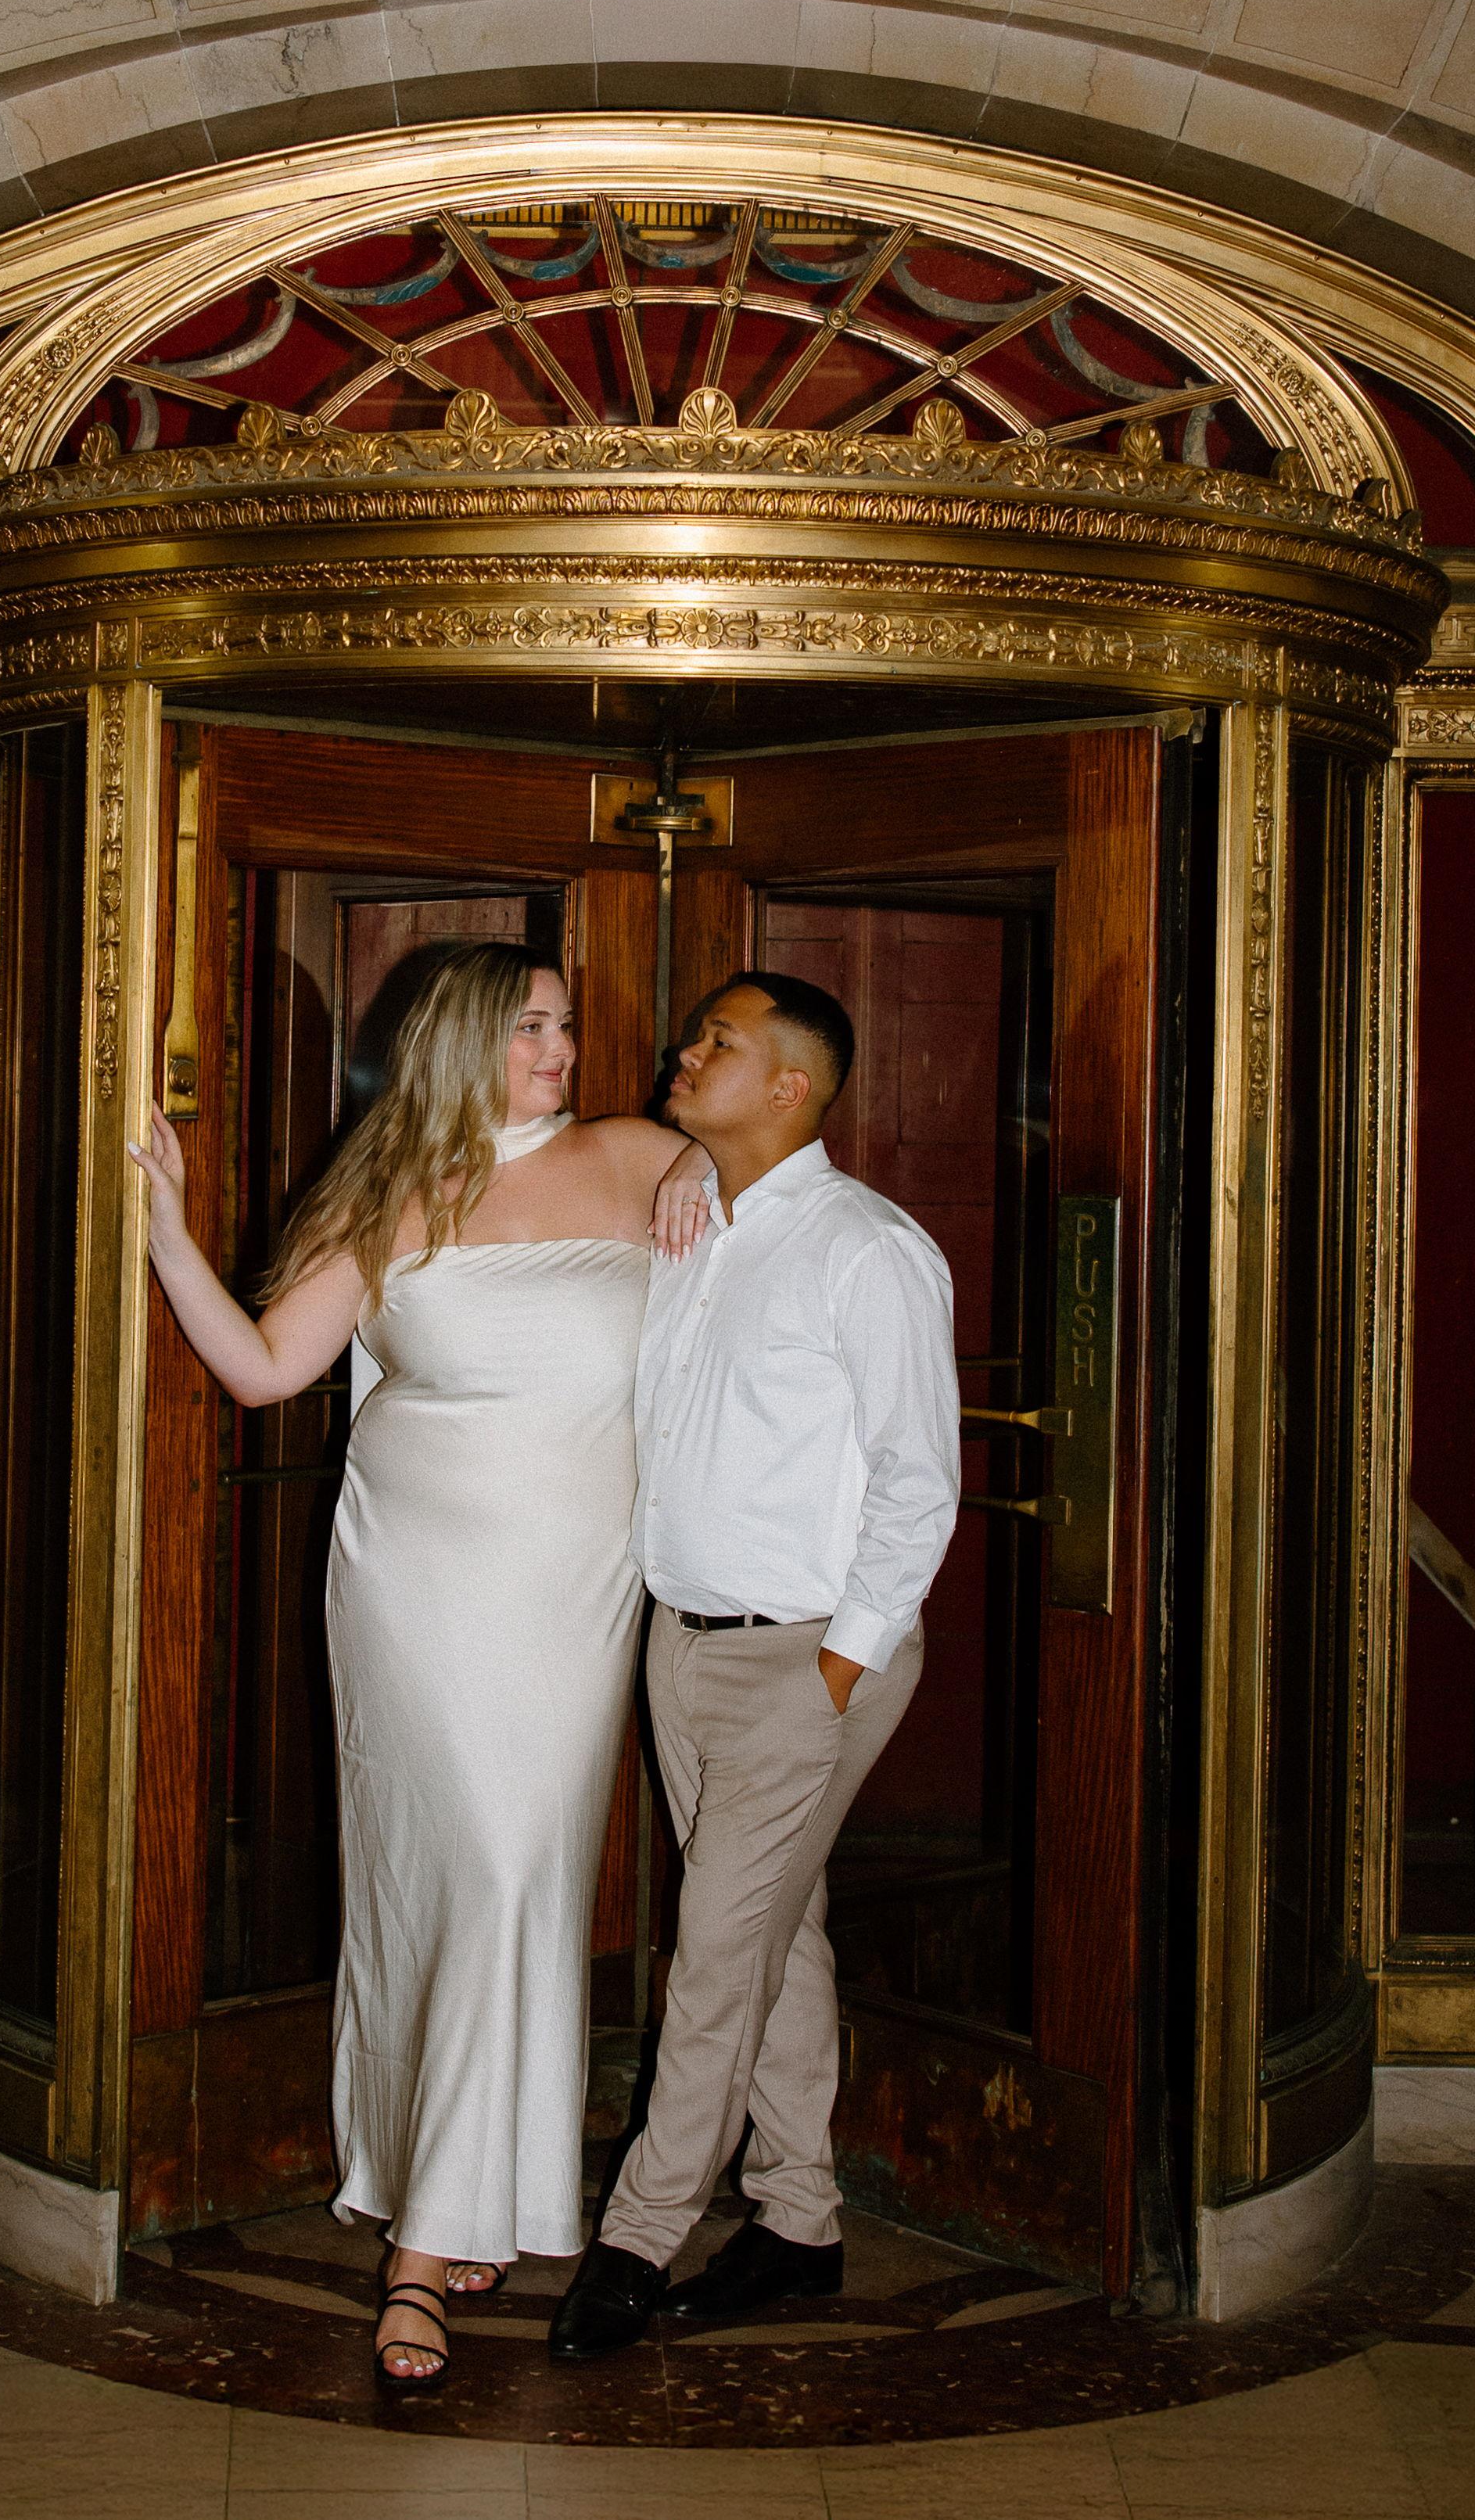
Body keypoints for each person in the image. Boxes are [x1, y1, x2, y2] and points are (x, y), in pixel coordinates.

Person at [128, 942, 688, 2390]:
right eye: (530, 1028)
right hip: (414, 1586)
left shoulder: (640, 1159)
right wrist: (172, 1236)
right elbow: (268, 1369)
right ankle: (428, 2243)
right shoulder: (385, 1190)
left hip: (572, 1589)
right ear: (458, 1041)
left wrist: (712, 1167)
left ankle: (463, 2190)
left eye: (567, 1025)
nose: (561, 1050)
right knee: (440, 1878)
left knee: (517, 1874)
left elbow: (762, 1238)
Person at [548, 971, 961, 2361]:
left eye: (717, 1042)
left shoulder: (869, 1249)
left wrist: (839, 1669)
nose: (685, 1050)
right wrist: (685, 1165)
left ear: (790, 1084)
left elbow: (919, 1481)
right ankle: (798, 2222)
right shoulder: (695, 1223)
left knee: (717, 1959)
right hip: (684, 1645)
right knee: (779, 1935)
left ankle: (637, 2240)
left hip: (804, 1660)